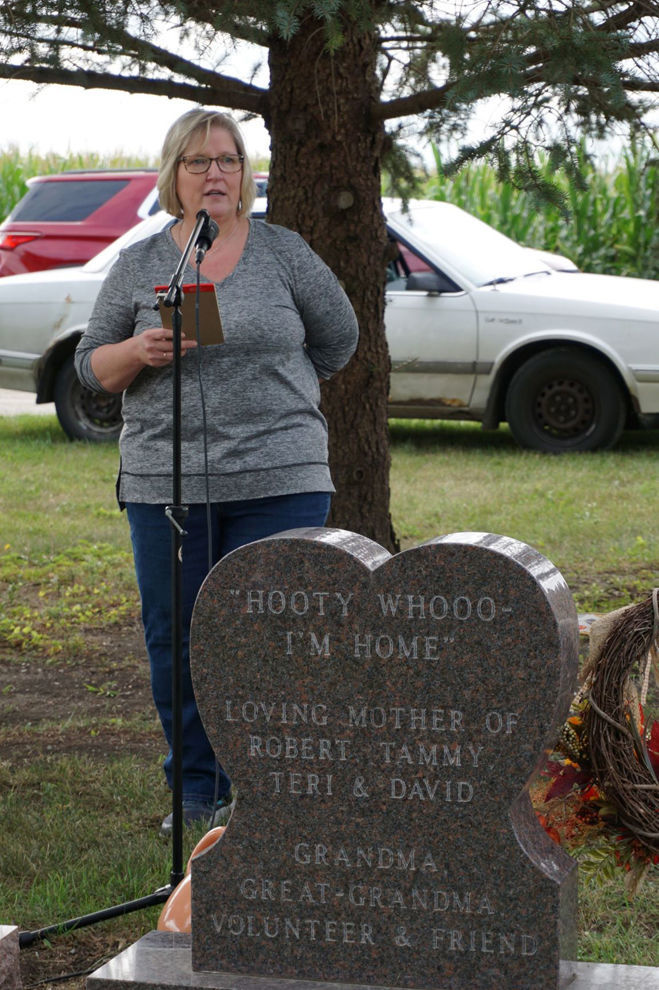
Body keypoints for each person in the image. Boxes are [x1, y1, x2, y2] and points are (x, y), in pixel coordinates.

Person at [74, 108, 359, 835]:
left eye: (228, 160)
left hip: (279, 478)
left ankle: (262, 787)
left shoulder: (284, 252)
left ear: (246, 172)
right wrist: (139, 352)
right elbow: (90, 368)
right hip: (165, 484)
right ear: (175, 175)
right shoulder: (144, 263)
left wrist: (274, 402)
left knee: (272, 637)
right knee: (179, 636)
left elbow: (337, 341)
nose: (216, 174)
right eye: (199, 162)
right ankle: (195, 789)